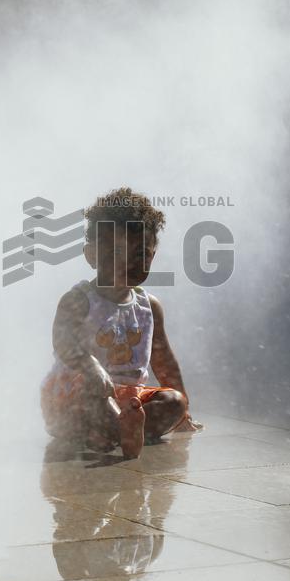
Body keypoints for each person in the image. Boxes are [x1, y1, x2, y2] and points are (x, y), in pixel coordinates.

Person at [40, 187, 200, 459]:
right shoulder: (79, 300)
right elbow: (62, 341)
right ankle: (117, 428)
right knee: (95, 402)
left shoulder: (149, 307)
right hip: (78, 395)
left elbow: (163, 360)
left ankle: (116, 429)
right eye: (115, 251)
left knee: (173, 402)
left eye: (140, 254)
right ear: (91, 254)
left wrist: (183, 413)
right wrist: (91, 368)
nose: (127, 262)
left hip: (129, 397)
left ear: (153, 254)